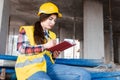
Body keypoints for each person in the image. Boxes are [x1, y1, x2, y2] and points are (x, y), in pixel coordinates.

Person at [15, 2, 91, 80]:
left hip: (49, 66)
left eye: (54, 20)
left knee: (84, 75)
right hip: (31, 69)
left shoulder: (52, 35)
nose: (53, 23)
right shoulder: (27, 30)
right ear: (42, 17)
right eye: (50, 19)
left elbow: (48, 54)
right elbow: (21, 48)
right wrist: (44, 46)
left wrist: (53, 56)